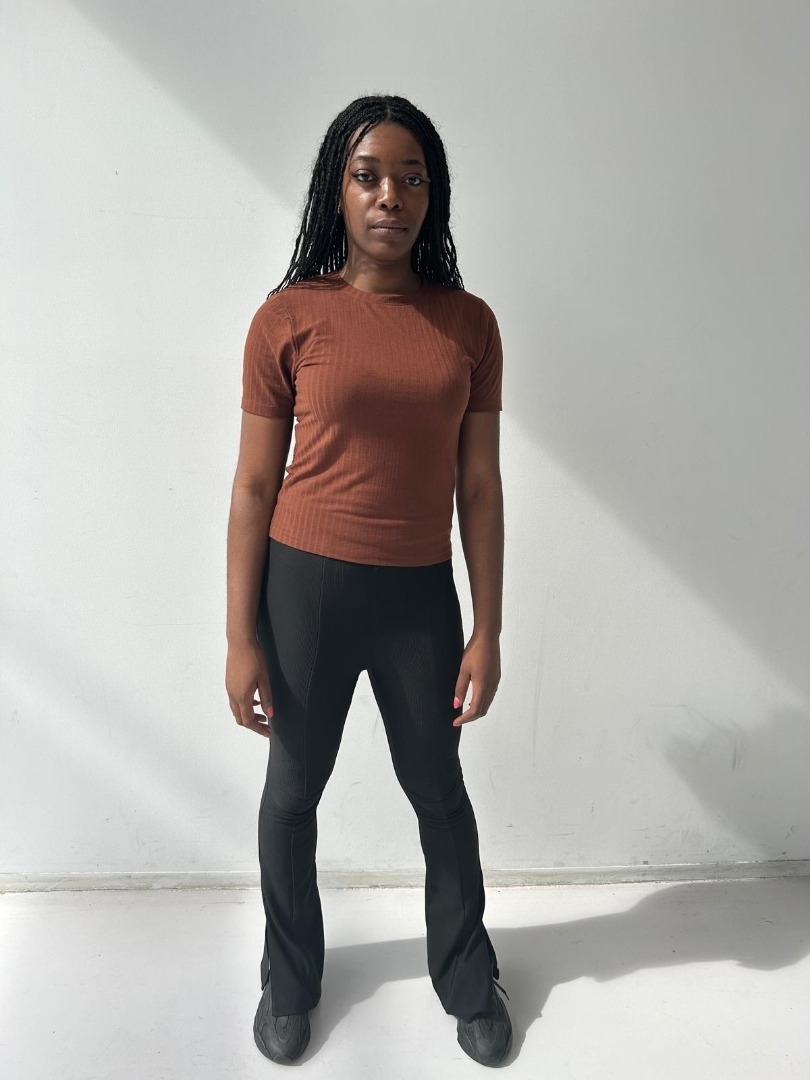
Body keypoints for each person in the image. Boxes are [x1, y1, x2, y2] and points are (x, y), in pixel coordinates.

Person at [225, 93, 511, 1067]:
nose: (391, 195)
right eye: (368, 175)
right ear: (337, 191)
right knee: (293, 792)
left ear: (433, 195)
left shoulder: (468, 325)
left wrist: (488, 629)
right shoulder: (288, 318)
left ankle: (468, 978)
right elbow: (253, 486)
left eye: (411, 178)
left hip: (418, 595)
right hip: (304, 590)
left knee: (439, 791)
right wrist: (240, 636)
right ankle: (289, 982)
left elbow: (479, 485)